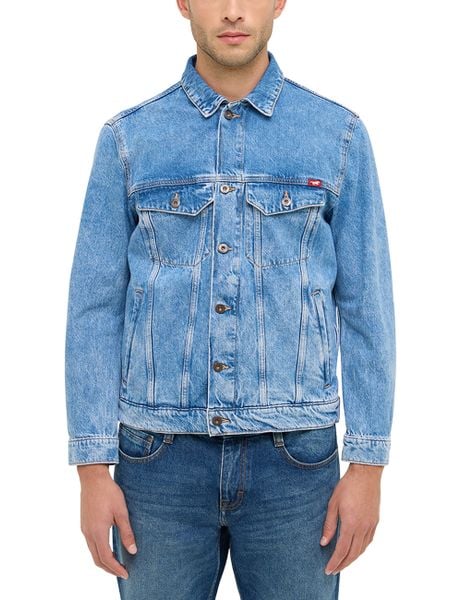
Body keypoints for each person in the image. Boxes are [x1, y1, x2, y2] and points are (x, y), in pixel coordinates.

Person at [65, 1, 396, 598]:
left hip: (296, 464)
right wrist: (92, 467)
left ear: (280, 1)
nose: (234, 11)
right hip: (157, 461)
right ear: (184, 2)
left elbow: (366, 306)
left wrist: (368, 463)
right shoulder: (129, 140)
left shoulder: (337, 136)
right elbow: (95, 308)